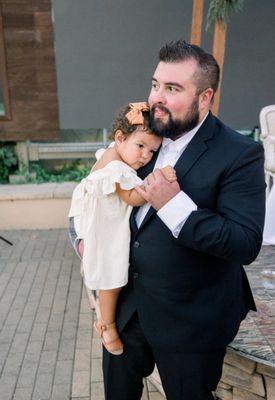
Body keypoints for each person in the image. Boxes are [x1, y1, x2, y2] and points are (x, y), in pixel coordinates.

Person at [70, 40, 266, 400]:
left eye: (172, 88)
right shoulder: (141, 133)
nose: (157, 97)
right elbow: (93, 191)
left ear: (205, 97)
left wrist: (174, 205)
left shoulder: (239, 154)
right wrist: (82, 238)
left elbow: (244, 243)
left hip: (191, 317)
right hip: (126, 309)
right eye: (156, 84)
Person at [68, 102, 176, 356]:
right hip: (89, 225)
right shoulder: (117, 169)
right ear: (120, 137)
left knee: (106, 269)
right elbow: (132, 197)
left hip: (82, 216)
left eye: (152, 151)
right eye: (141, 146)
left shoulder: (116, 152)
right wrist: (158, 179)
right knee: (111, 278)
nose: (146, 157)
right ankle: (106, 326)